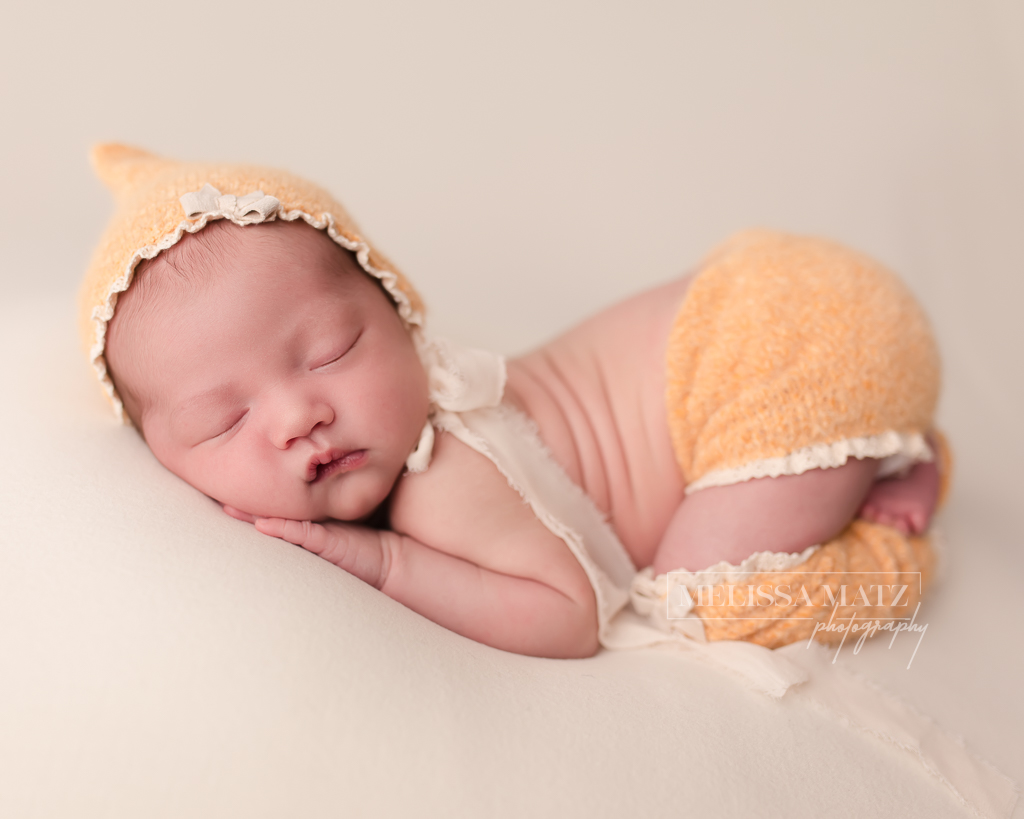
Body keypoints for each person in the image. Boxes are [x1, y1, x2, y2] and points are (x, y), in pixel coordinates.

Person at [81, 145, 950, 658]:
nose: (295, 415)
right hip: (766, 299)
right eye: (223, 422)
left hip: (791, 352)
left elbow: (573, 615)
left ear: (400, 310)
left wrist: (385, 566)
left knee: (708, 605)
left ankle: (893, 528)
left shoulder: (443, 473)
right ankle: (880, 444)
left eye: (330, 353)